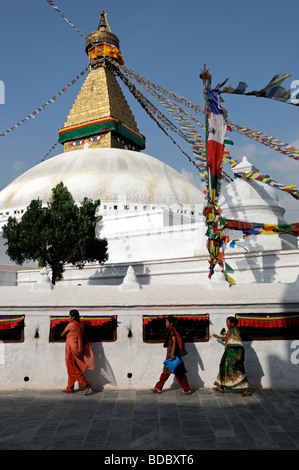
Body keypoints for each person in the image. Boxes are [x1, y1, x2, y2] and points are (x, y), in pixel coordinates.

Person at [151, 316, 191, 394]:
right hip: (172, 354)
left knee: (177, 373)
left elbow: (174, 342)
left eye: (167, 322)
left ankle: (187, 389)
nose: (165, 323)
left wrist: (172, 353)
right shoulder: (173, 330)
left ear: (171, 323)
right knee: (169, 371)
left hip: (173, 355)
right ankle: (158, 387)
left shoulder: (172, 331)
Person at [212, 316, 251, 396]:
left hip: (234, 354)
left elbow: (239, 345)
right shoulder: (230, 331)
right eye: (226, 322)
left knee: (238, 370)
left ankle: (246, 390)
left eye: (228, 323)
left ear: (232, 323)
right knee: (223, 367)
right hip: (228, 353)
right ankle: (221, 386)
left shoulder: (235, 331)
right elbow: (227, 340)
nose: (226, 324)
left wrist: (240, 355)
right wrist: (218, 337)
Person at [61, 309, 94, 395]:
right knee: (72, 367)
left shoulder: (71, 325)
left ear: (73, 317)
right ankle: (70, 388)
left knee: (72, 369)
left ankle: (86, 384)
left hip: (71, 349)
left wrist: (66, 334)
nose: (69, 318)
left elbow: (63, 333)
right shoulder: (81, 325)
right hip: (78, 349)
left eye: (69, 316)